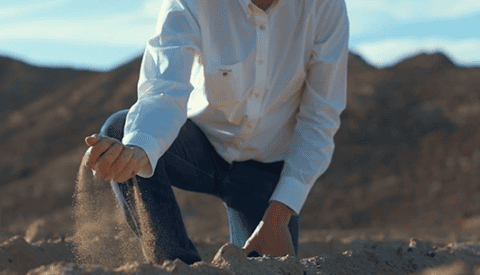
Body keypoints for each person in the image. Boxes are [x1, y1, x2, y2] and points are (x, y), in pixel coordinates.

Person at [83, 0, 349, 265]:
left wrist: (278, 217)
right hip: (200, 148)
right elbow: (164, 88)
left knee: (264, 267)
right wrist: (138, 152)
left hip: (265, 172)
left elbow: (319, 119)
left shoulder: (325, 7)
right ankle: (176, 266)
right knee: (123, 134)